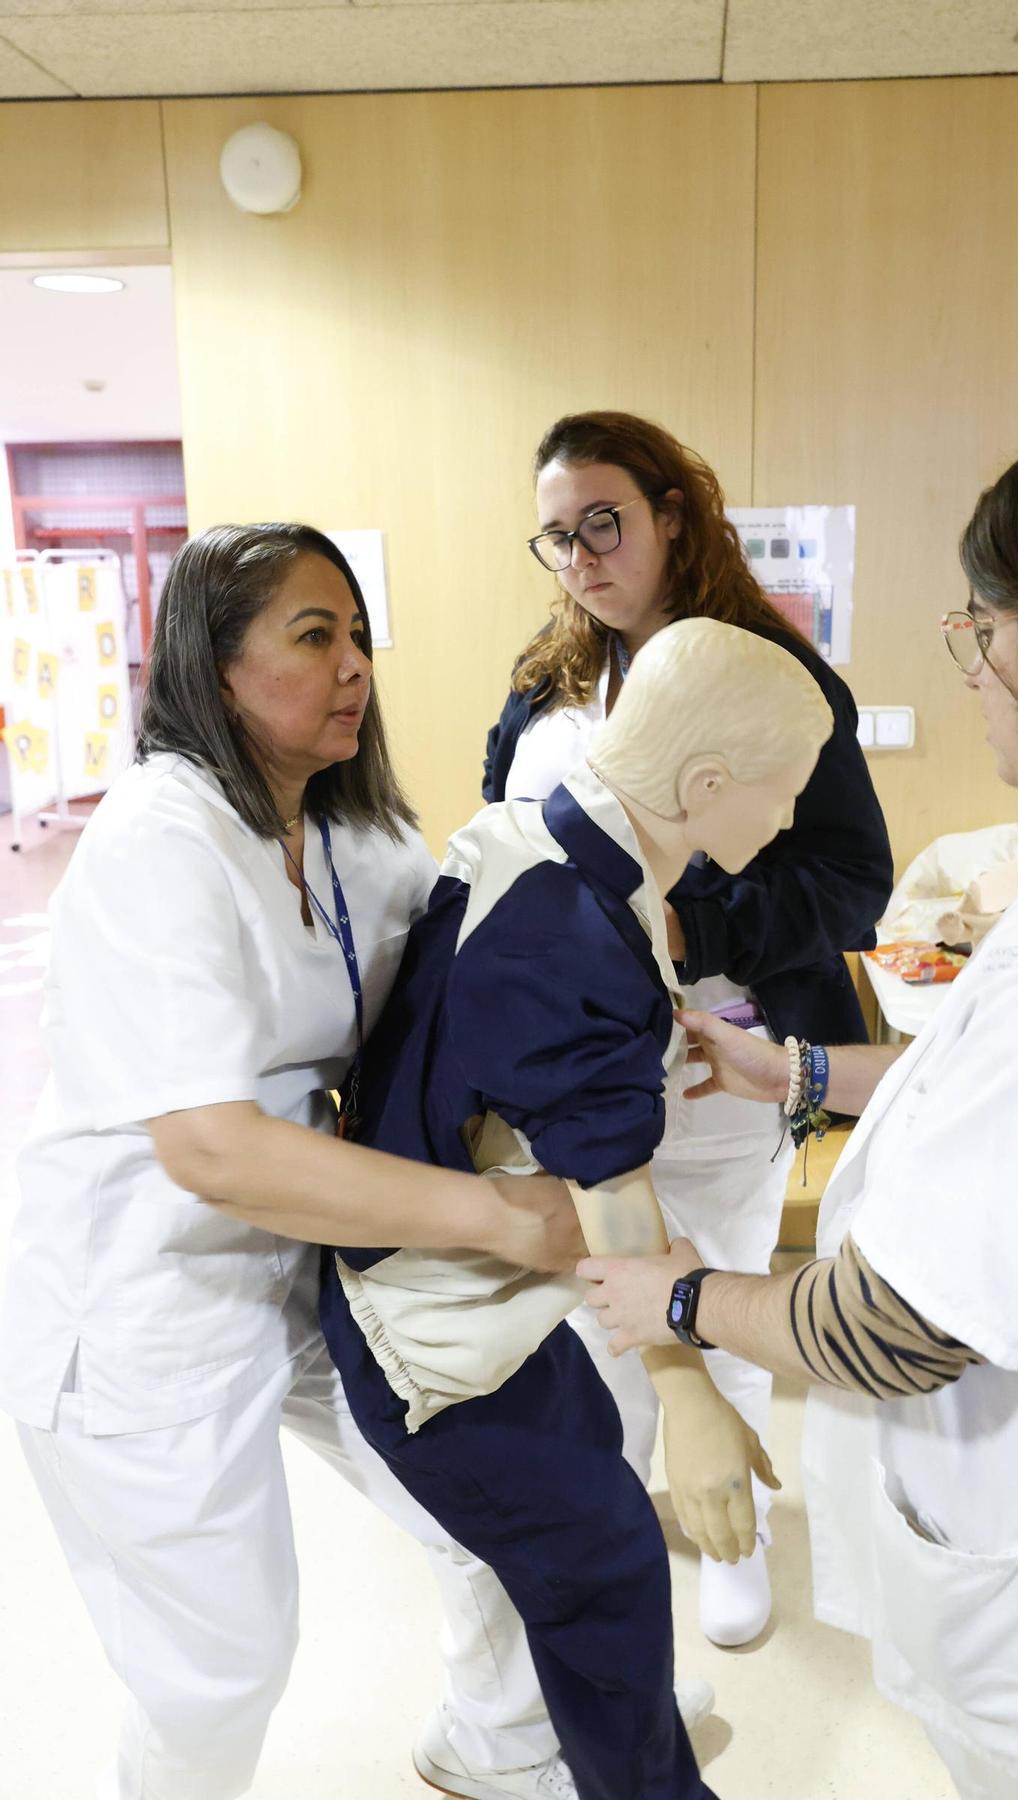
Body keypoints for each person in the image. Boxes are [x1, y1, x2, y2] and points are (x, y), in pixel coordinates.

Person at [578, 422, 1018, 1800]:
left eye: (990, 629)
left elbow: (900, 1323)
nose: (974, 668)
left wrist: (683, 1307)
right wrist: (792, 1073)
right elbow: (981, 1089)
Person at [0, 523, 592, 1800]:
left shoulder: (350, 835)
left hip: (302, 1267)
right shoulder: (164, 843)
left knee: (487, 1501)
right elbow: (212, 1148)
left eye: (361, 637)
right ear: (215, 667)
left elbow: (471, 971)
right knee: (219, 1665)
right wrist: (497, 1218)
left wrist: (637, 1023)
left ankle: (496, 1744)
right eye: (314, 636)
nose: (355, 668)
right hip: (138, 1303)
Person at [320, 617, 835, 1800]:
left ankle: (627, 1724)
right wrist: (688, 1385)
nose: (792, 818)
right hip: (429, 1322)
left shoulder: (549, 839)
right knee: (605, 1556)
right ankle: (642, 1778)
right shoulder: (574, 936)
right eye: (785, 791)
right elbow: (612, 1190)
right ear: (706, 786)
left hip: (486, 1278)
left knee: (597, 1488)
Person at [483, 410, 892, 1645]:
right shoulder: (542, 685)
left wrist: (689, 937)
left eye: (603, 521)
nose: (582, 556)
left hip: (719, 1066)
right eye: (556, 536)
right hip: (569, 1073)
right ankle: (618, 1521)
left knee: (704, 1291)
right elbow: (505, 854)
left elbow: (851, 880)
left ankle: (736, 1523)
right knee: (588, 1306)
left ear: (673, 513)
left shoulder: (777, 676)